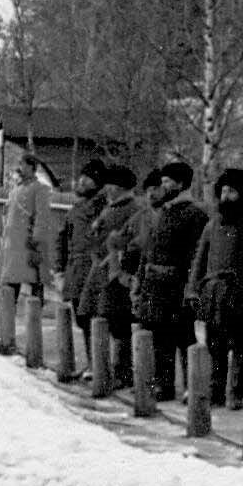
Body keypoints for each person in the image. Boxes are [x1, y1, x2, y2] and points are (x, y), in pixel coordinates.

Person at [132, 160, 206, 402]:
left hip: (177, 284)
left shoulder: (194, 214)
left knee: (184, 336)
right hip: (155, 284)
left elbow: (197, 254)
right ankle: (163, 385)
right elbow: (149, 249)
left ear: (181, 184)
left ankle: (191, 386)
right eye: (162, 182)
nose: (162, 187)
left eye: (167, 182)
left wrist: (190, 285)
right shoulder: (162, 211)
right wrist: (141, 279)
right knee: (160, 336)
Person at [187, 167, 243, 410]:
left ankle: (236, 393)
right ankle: (215, 390)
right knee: (214, 344)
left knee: (241, 345)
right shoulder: (212, 225)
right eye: (224, 191)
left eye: (233, 192)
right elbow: (200, 259)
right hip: (214, 292)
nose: (227, 196)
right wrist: (193, 289)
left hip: (238, 293)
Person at [82, 164, 141, 388]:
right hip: (100, 269)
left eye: (112, 186)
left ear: (120, 188)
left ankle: (121, 371)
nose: (107, 189)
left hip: (115, 271)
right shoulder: (111, 206)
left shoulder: (132, 208)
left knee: (118, 322)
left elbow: (130, 240)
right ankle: (100, 365)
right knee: (91, 314)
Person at [0, 151, 56, 312]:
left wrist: (37, 236)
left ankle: (36, 306)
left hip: (27, 238)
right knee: (11, 274)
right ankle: (8, 306)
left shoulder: (40, 189)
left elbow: (42, 215)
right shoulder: (17, 188)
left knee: (34, 274)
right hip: (13, 238)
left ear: (31, 167)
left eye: (22, 164)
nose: (19, 168)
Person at [56, 159, 107, 318]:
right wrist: (59, 269)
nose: (82, 180)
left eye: (88, 177)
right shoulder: (76, 209)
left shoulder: (104, 209)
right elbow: (64, 239)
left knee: (93, 320)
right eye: (82, 176)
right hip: (76, 270)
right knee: (81, 319)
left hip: (93, 272)